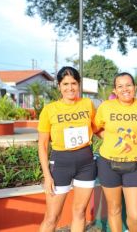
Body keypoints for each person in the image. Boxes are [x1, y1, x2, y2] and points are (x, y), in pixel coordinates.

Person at [38, 66, 97, 232]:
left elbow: (98, 129)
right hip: (60, 164)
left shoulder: (87, 104)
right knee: (51, 218)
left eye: (73, 83)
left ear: (79, 84)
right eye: (65, 84)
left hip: (86, 163)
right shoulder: (49, 109)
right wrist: (47, 176)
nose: (70, 88)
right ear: (59, 86)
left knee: (79, 212)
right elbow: (42, 145)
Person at [94, 72, 137, 232]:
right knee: (114, 209)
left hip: (134, 164)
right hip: (108, 163)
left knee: (135, 214)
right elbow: (95, 128)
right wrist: (107, 138)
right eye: (120, 86)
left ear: (135, 87)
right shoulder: (106, 107)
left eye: (128, 85)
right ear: (115, 91)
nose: (125, 89)